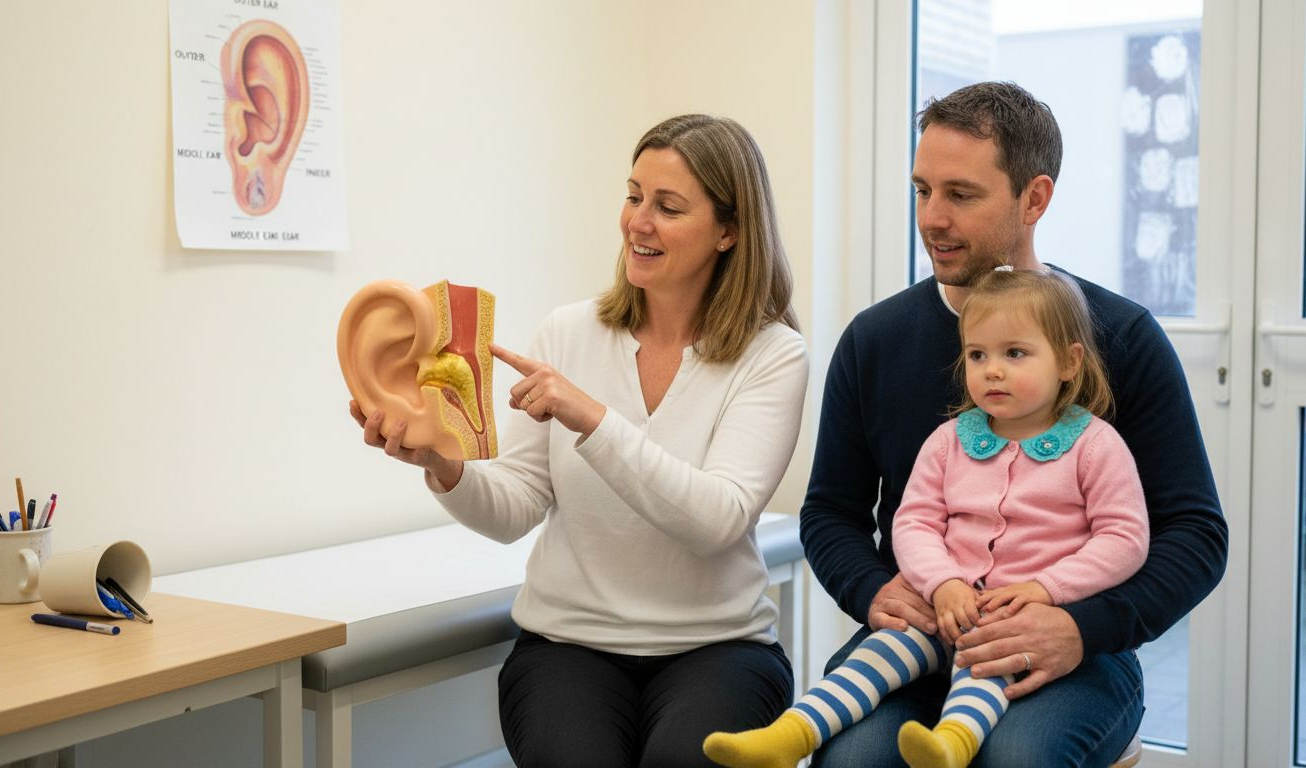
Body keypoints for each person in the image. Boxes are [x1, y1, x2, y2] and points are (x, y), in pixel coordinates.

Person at [350, 113, 809, 768]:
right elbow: (514, 510)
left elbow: (718, 520)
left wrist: (592, 418)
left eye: (668, 206)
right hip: (568, 648)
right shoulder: (567, 332)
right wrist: (441, 463)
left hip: (719, 649)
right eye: (633, 196)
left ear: (730, 231)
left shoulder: (773, 355)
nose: (637, 222)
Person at [799, 81, 1228, 767]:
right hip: (917, 638)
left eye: (960, 195)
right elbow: (828, 513)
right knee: (852, 760)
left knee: (1016, 760)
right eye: (921, 191)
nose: (931, 218)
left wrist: (1080, 628)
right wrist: (874, 590)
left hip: (1074, 650)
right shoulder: (873, 341)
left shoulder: (1124, 338)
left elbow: (1197, 536)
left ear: (1035, 198)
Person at [704, 268, 1149, 768]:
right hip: (939, 610)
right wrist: (942, 584)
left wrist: (1047, 588)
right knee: (874, 660)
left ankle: (951, 745)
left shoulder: (1095, 447)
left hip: (1020, 625)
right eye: (978, 355)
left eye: (1015, 354)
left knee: (985, 669)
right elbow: (914, 522)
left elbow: (1125, 537)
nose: (992, 370)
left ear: (1069, 362)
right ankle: (790, 735)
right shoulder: (950, 441)